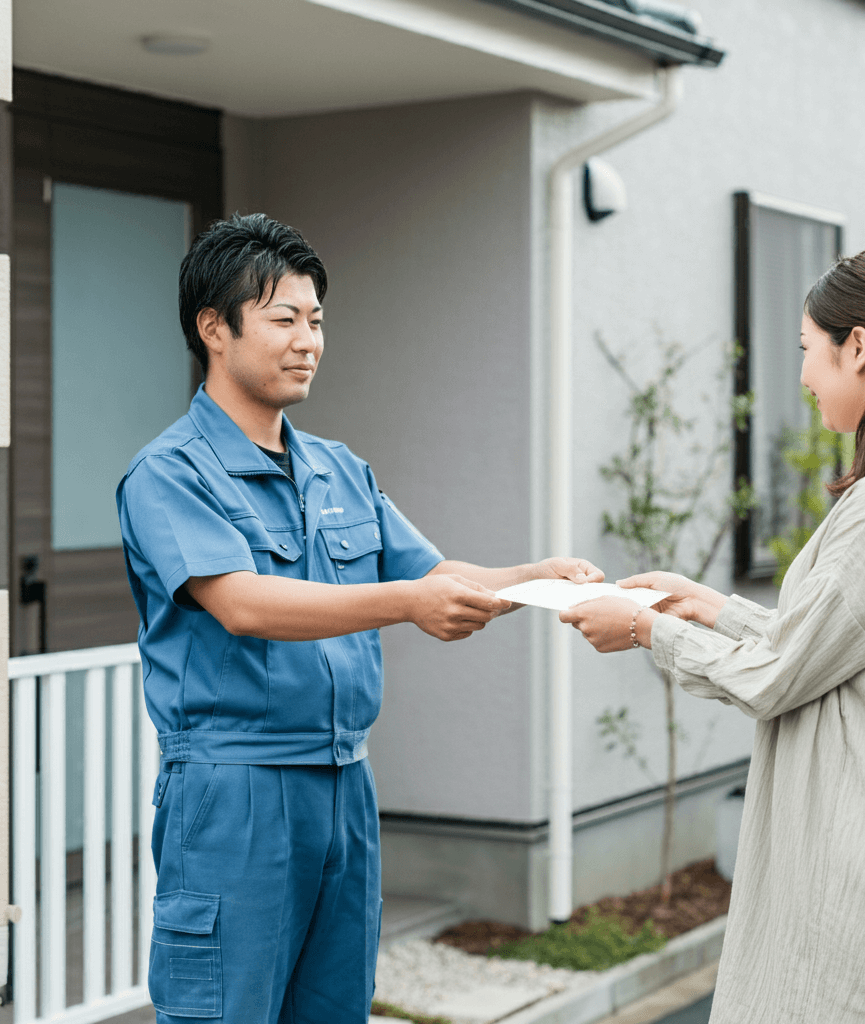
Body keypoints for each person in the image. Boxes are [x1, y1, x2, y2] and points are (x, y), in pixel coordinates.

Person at [117, 213, 602, 1024]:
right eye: (284, 319)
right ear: (214, 329)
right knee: (227, 1011)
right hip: (235, 787)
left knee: (335, 1008)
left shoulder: (337, 468)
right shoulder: (169, 473)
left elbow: (432, 573)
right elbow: (241, 603)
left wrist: (531, 577)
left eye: (316, 321)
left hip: (344, 783)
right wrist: (409, 606)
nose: (308, 340)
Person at [561, 246, 865, 1023]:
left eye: (807, 351)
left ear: (857, 346)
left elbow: (781, 675)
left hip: (856, 892)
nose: (802, 377)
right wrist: (708, 604)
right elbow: (840, 645)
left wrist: (642, 631)